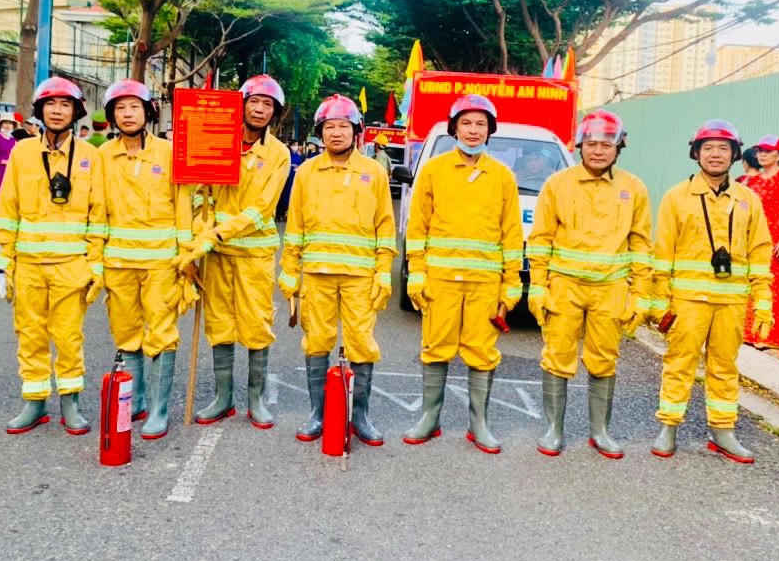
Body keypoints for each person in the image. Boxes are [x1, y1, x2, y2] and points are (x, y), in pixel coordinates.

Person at [526, 110, 652, 459]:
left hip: (610, 289)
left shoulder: (633, 188)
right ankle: (554, 429)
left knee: (604, 359)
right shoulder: (557, 184)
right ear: (580, 145)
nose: (598, 150)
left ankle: (600, 431)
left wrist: (641, 294)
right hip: (564, 286)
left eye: (606, 144)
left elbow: (641, 243)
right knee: (557, 356)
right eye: (592, 143)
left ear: (618, 148)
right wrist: (538, 286)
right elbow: (541, 239)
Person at [403, 94, 522, 454]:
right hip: (440, 280)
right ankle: (429, 418)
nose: (473, 130)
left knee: (482, 352)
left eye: (480, 124)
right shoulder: (434, 170)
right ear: (454, 127)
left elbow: (511, 234)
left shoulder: (502, 176)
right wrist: (416, 272)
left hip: (484, 284)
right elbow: (418, 226)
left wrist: (511, 282)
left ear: (490, 130)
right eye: (466, 123)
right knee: (435, 348)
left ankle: (478, 424)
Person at [651, 120, 773, 464]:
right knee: (679, 363)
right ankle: (668, 427)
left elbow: (760, 253)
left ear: (734, 154)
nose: (715, 154)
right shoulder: (676, 197)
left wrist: (763, 302)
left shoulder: (748, 200)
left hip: (731, 301)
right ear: (696, 154)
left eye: (723, 148)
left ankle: (723, 431)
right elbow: (663, 252)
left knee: (725, 366)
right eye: (708, 148)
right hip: (688, 301)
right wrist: (659, 303)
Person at [173, 74, 291, 429]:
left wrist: (216, 234)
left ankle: (255, 399)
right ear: (242, 105)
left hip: (254, 254)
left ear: (275, 112)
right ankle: (222, 398)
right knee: (219, 323)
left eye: (267, 104)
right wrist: (200, 228)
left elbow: (262, 209)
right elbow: (198, 193)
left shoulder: (278, 154)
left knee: (257, 324)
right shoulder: (216, 140)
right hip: (216, 255)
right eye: (254, 101)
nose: (259, 109)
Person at [279, 94, 395, 446]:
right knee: (316, 341)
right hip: (317, 274)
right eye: (329, 127)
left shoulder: (374, 172)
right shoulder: (307, 172)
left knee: (361, 344)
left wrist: (383, 271)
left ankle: (360, 416)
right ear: (320, 132)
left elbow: (385, 226)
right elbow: (295, 226)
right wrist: (289, 270)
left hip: (360, 277)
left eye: (343, 126)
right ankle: (318, 413)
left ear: (356, 130)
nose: (336, 133)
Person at [0, 77, 106, 436]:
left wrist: (95, 264)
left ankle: (70, 402)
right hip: (28, 265)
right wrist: (3, 259)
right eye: (50, 104)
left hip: (71, 266)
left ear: (76, 112)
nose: (57, 111)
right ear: (40, 110)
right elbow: (7, 207)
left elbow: (98, 213)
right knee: (30, 335)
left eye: (65, 105)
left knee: (69, 336)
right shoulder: (22, 152)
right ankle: (35, 401)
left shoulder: (90, 156)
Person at [99, 79, 195, 440]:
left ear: (148, 112)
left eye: (134, 107)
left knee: (162, 333)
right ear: (112, 115)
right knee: (126, 332)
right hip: (118, 262)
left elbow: (183, 204)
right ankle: (135, 400)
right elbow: (96, 209)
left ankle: (158, 409)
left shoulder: (169, 152)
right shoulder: (102, 156)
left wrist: (186, 254)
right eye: (120, 108)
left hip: (161, 263)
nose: (127, 114)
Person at [741, 135, 779, 350]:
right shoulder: (753, 181)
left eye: (768, 151)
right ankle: (750, 331)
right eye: (760, 151)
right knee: (754, 280)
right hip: (755, 237)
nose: (762, 155)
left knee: (774, 285)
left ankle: (771, 335)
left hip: (777, 238)